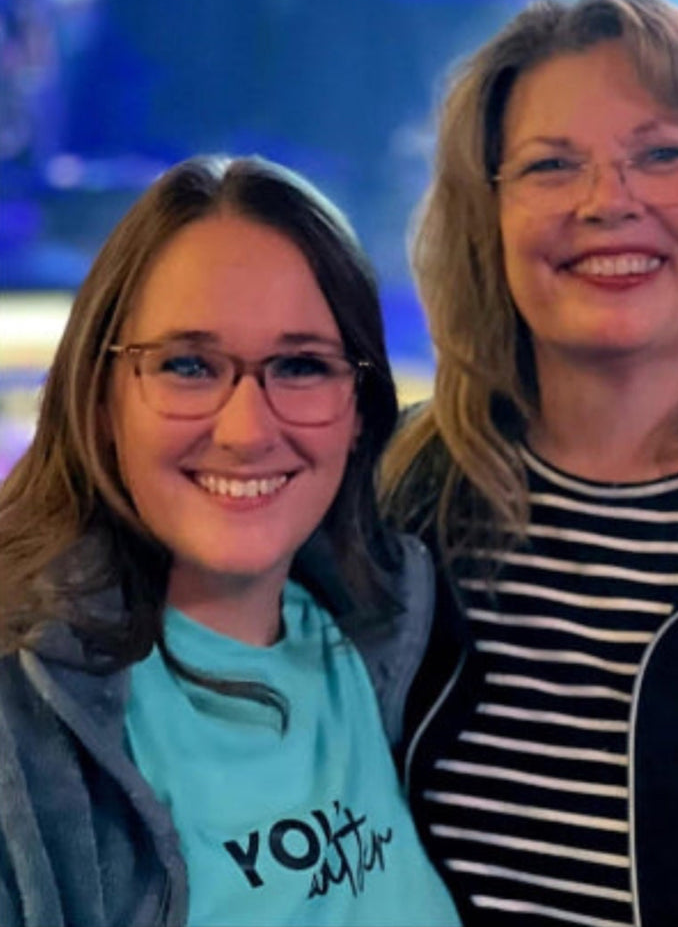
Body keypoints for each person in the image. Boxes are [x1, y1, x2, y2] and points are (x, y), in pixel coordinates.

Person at [380, 0, 678, 927]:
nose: (608, 201)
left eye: (660, 154)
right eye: (551, 165)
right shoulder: (397, 496)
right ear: (486, 215)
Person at [0, 155, 461, 927]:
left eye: (301, 366)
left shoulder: (388, 630)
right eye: (188, 365)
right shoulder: (20, 710)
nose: (246, 431)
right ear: (102, 398)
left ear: (359, 409)